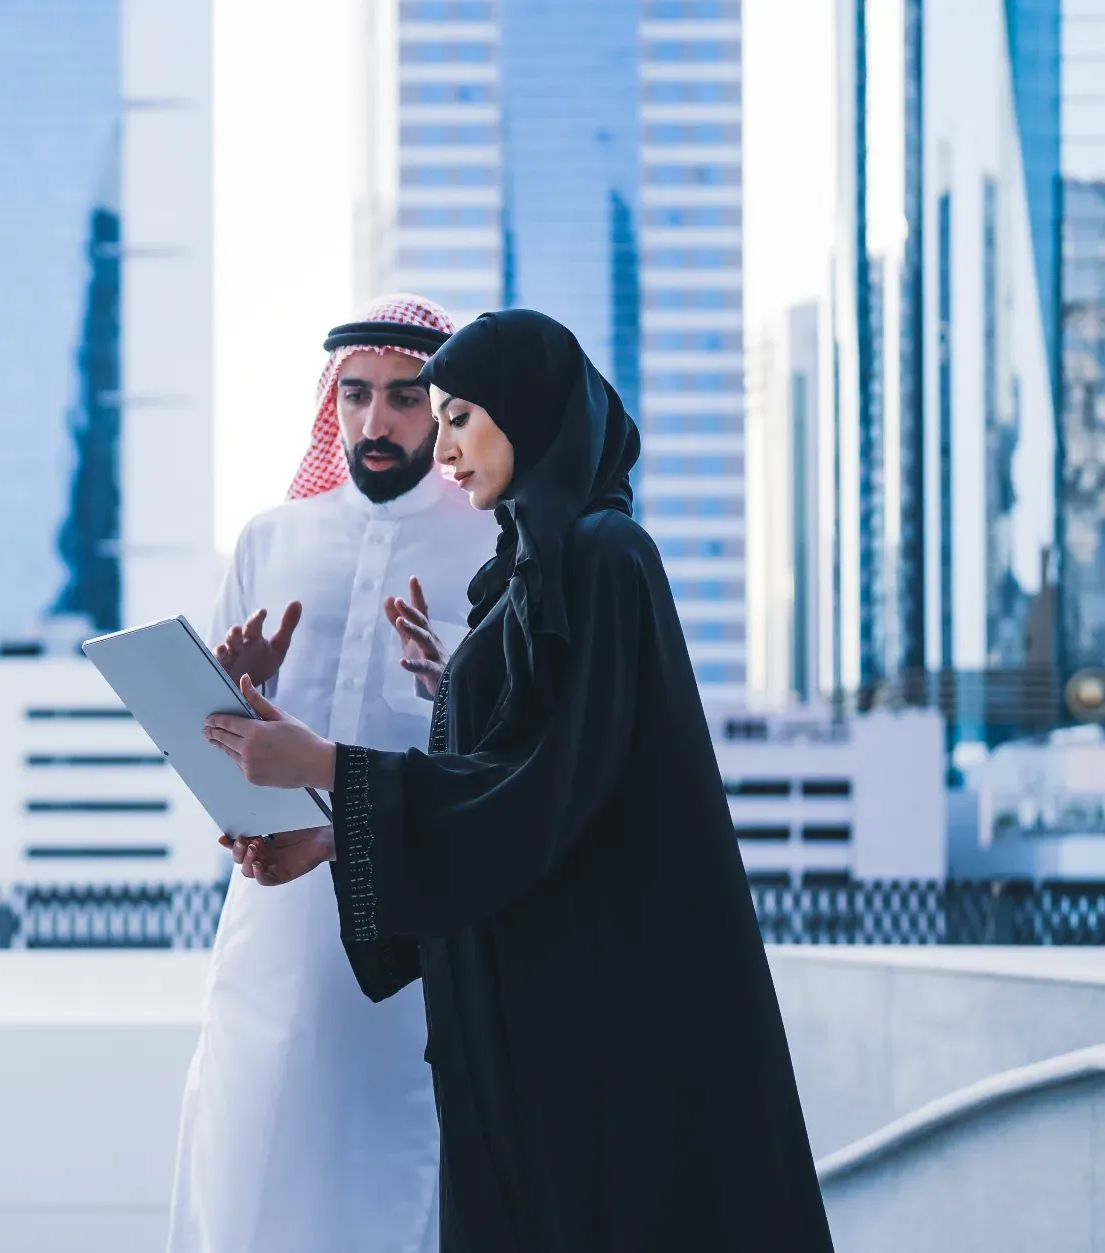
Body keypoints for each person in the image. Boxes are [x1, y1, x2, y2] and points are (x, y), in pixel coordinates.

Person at [205, 309, 834, 1252]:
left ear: (531, 412)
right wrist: (338, 831)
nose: (445, 448)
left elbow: (542, 788)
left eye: (457, 415)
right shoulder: (526, 573)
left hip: (596, 1005)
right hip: (527, 994)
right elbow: (499, 772)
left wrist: (328, 769)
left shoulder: (608, 559)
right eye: (440, 417)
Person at [165, 294, 496, 1253]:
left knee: (397, 1164)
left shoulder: (485, 538)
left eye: (402, 398)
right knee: (249, 1157)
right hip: (274, 919)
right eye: (354, 397)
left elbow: (495, 757)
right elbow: (216, 737)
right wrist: (235, 698)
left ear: (438, 409)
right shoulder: (272, 538)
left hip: (413, 928)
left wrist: (447, 684)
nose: (374, 422)